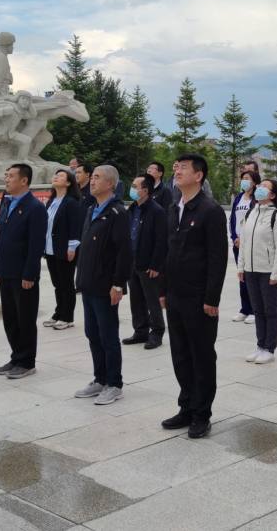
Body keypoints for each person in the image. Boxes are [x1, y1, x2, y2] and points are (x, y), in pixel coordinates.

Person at [159, 153, 228, 439]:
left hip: (199, 298)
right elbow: (168, 251)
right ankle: (186, 406)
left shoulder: (210, 210)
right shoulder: (174, 208)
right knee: (180, 354)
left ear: (198, 175)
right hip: (175, 295)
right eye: (176, 167)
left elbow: (218, 258)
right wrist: (163, 289)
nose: (177, 171)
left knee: (201, 356)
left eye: (183, 168)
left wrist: (212, 298)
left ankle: (202, 414)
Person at [73, 165, 133, 405]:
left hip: (105, 285)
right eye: (92, 177)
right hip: (88, 283)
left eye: (97, 178)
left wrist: (118, 284)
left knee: (108, 335)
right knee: (92, 333)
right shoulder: (91, 209)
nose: (92, 181)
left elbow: (124, 252)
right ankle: (100, 378)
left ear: (110, 184)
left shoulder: (117, 212)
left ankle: (114, 383)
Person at [0, 163, 48, 379]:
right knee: (10, 318)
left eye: (11, 176)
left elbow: (36, 245)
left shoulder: (35, 207)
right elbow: (1, 238)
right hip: (6, 270)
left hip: (23, 274)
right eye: (6, 175)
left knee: (25, 318)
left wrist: (30, 274)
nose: (6, 179)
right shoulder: (7, 202)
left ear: (24, 180)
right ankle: (16, 356)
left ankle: (26, 362)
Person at [237, 178, 277, 364]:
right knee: (257, 310)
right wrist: (241, 266)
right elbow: (243, 242)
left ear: (272, 195)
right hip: (250, 270)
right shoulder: (251, 212)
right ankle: (260, 345)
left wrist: (276, 273)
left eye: (265, 187)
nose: (259, 188)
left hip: (268, 271)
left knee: (269, 310)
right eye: (260, 186)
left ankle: (269, 348)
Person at [123, 173, 168, 349]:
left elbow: (161, 240)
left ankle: (156, 332)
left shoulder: (157, 211)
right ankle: (140, 331)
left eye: (135, 187)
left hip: (148, 264)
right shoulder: (132, 208)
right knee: (136, 299)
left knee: (152, 300)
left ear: (146, 190)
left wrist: (156, 265)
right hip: (131, 262)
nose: (132, 189)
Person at [41, 167, 83, 330]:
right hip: (51, 249)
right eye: (55, 175)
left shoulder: (71, 202)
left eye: (60, 176)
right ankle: (58, 313)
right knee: (57, 284)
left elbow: (75, 227)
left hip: (65, 249)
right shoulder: (51, 201)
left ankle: (67, 317)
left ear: (68, 183)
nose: (56, 177)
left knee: (66, 284)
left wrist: (72, 247)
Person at [229, 171, 260, 324]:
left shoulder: (257, 199)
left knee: (251, 277)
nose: (244, 181)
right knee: (242, 277)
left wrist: (245, 239)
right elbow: (233, 220)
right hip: (238, 244)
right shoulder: (238, 198)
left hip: (251, 243)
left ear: (254, 182)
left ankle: (255, 310)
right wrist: (234, 237)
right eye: (242, 179)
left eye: (247, 179)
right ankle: (244, 309)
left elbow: (257, 221)